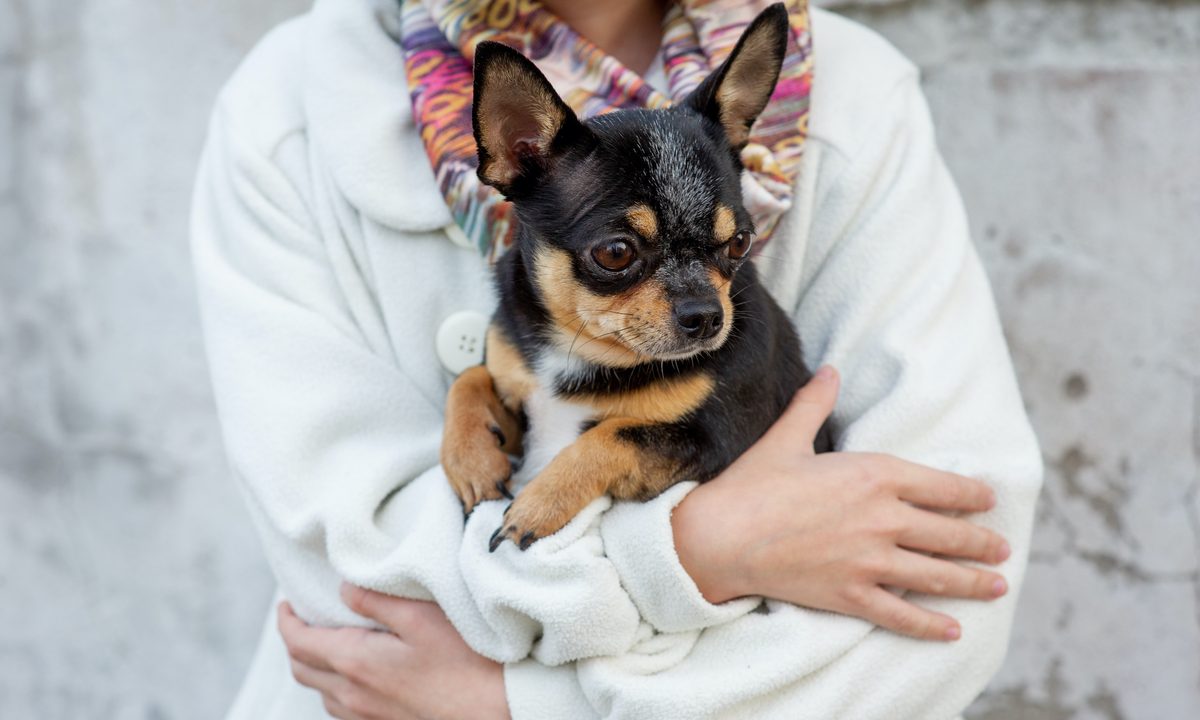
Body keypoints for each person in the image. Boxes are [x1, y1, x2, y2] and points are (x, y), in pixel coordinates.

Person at [190, 0, 1042, 718]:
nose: (702, 305)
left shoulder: (858, 98)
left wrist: (516, 705)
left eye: (727, 251)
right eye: (616, 259)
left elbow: (952, 584)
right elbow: (355, 594)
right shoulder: (288, 108)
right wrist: (703, 550)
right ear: (510, 148)